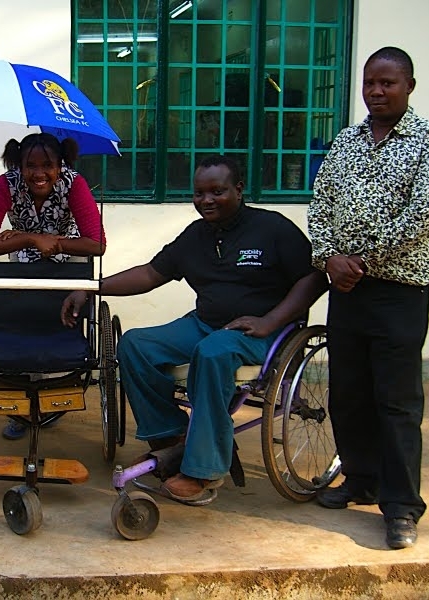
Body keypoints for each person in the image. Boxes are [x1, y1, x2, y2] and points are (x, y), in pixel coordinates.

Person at [62, 155, 327, 502]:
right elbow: (150, 274)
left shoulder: (273, 229)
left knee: (213, 352)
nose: (206, 200)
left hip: (265, 333)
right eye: (199, 193)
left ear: (239, 190)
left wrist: (270, 321)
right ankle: (172, 439)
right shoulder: (196, 236)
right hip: (206, 325)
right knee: (135, 345)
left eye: (217, 191)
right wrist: (92, 288)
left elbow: (315, 277)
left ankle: (204, 470)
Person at [307, 47, 429, 550]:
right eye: (370, 82)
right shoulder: (346, 142)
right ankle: (360, 479)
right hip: (347, 291)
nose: (376, 91)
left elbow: (425, 216)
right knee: (348, 395)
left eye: (388, 83)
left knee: (396, 402)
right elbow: (320, 206)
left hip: (399, 293)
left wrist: (360, 260)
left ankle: (401, 507)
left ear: (409, 86)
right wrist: (330, 258)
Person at [0, 132, 107, 439]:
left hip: (70, 254)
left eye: (48, 165)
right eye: (30, 165)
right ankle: (21, 404)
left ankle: (54, 391)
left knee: (60, 320)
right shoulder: (5, 185)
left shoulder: (75, 184)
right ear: (19, 164)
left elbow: (97, 244)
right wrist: (29, 238)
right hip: (22, 254)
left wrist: (55, 243)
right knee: (23, 317)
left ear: (60, 165)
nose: (39, 173)